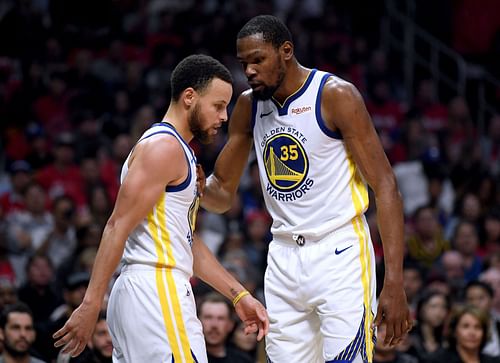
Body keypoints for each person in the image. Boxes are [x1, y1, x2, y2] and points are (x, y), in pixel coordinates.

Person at [200, 15, 411, 362]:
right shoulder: (248, 105)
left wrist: (394, 282)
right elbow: (222, 193)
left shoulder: (335, 95)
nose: (249, 71)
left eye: (258, 60)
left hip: (339, 250)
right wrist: (192, 185)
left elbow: (386, 186)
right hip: (282, 255)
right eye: (243, 63)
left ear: (286, 51)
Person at [53, 54, 268, 363]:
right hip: (157, 292)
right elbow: (116, 225)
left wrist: (238, 294)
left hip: (145, 293)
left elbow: (185, 242)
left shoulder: (176, 151)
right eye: (218, 106)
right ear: (189, 97)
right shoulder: (164, 148)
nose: (223, 117)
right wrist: (90, 304)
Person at [429, 305, 500, 363]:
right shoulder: (438, 361)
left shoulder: (494, 361)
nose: (472, 333)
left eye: (478, 327)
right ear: (454, 331)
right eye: (465, 326)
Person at [198, 292, 252, 363]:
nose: (214, 325)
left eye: (221, 318)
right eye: (208, 317)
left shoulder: (244, 360)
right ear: (197, 321)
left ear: (231, 324)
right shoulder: (185, 357)